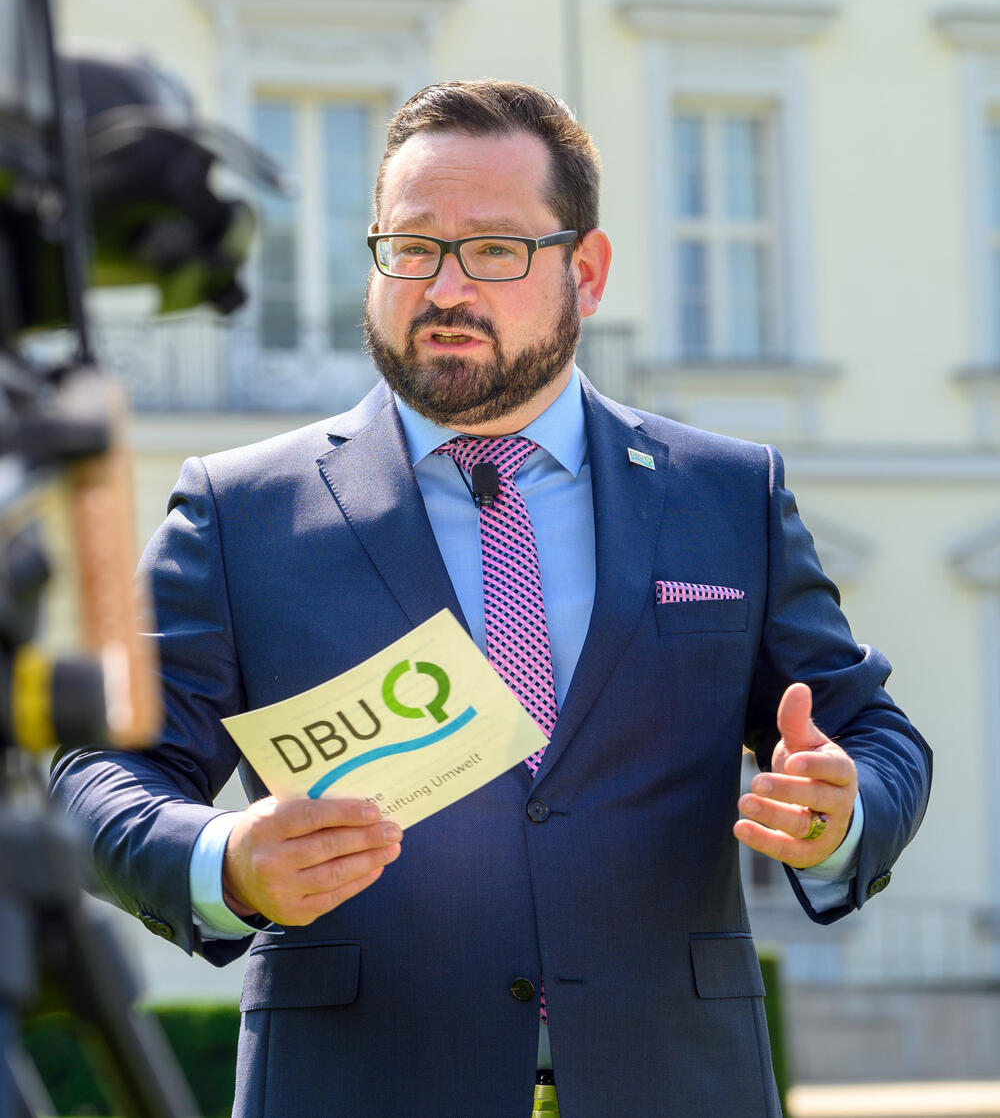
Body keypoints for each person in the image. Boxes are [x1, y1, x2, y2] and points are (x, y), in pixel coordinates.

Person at [51, 80, 931, 1117]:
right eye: (412, 246)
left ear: (586, 272)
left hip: (678, 1083)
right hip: (357, 1088)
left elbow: (873, 734)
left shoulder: (727, 493)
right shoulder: (240, 510)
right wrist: (224, 858)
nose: (445, 286)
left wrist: (838, 814)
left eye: (497, 249)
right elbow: (99, 767)